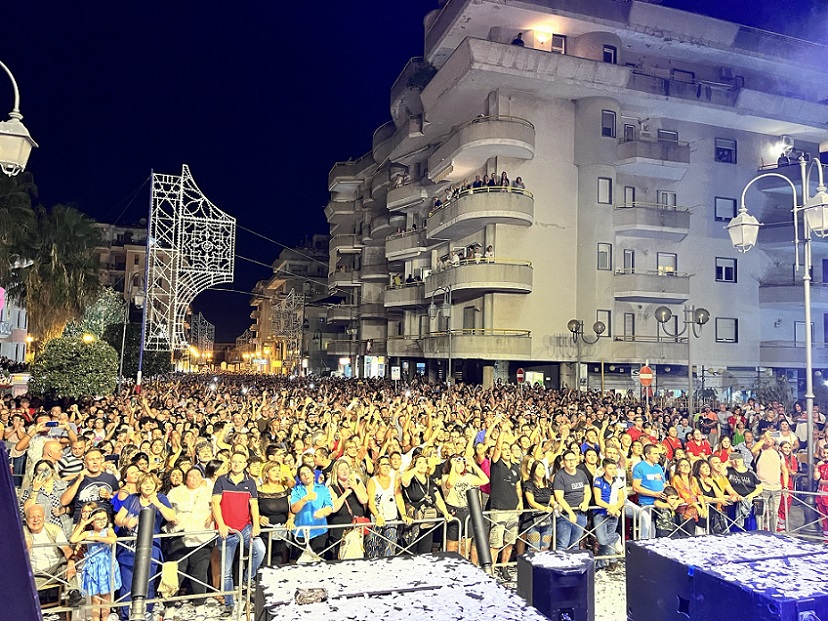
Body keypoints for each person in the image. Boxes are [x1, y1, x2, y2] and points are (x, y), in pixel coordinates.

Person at [114, 472, 176, 619]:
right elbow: (117, 519)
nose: (148, 486)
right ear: (139, 485)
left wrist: (158, 504)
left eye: (151, 483)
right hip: (128, 548)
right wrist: (125, 522)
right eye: (144, 483)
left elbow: (172, 517)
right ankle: (126, 615)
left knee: (147, 582)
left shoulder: (161, 498)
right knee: (127, 585)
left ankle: (146, 613)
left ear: (156, 485)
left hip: (151, 548)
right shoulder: (132, 498)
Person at [211, 451, 265, 613]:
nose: (236, 464)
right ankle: (229, 605)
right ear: (230, 462)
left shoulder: (250, 482)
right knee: (226, 572)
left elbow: (254, 505)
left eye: (240, 462)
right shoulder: (221, 480)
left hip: (245, 527)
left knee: (260, 550)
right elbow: (215, 504)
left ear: (245, 464)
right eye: (234, 461)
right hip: (227, 531)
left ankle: (247, 578)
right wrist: (221, 525)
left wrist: (256, 524)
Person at [165, 468, 214, 604]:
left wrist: (212, 515)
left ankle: (199, 603)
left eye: (197, 475)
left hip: (202, 537)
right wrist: (171, 518)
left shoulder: (209, 492)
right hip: (179, 535)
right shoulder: (175, 492)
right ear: (186, 478)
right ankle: (169, 604)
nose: (194, 478)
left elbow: (218, 507)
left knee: (199, 572)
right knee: (176, 572)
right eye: (191, 476)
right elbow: (166, 509)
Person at [23, 504, 82, 606]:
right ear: (26, 519)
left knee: (67, 563)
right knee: (25, 585)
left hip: (56, 570)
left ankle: (74, 594)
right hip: (37, 574)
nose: (36, 520)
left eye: (39, 516)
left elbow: (67, 549)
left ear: (44, 517)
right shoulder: (22, 532)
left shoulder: (54, 529)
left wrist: (71, 563)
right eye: (32, 517)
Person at [69, 506, 120, 621]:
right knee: (95, 597)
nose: (102, 521)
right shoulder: (88, 533)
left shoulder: (108, 531)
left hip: (106, 565)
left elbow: (112, 539)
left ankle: (105, 618)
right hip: (93, 566)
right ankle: (96, 619)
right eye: (98, 519)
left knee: (106, 596)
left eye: (104, 518)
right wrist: (85, 522)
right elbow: (73, 539)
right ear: (92, 522)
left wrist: (95, 538)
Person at [400, 454, 451, 555]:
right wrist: (417, 467)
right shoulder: (411, 479)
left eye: (424, 462)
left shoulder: (429, 481)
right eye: (419, 462)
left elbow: (438, 500)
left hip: (427, 521)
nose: (422, 464)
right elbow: (404, 480)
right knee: (410, 554)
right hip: (413, 523)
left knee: (425, 553)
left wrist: (445, 512)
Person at [366, 456, 410, 558]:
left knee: (390, 548)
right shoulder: (372, 481)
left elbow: (399, 499)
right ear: (378, 467)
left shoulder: (394, 480)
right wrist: (377, 516)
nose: (386, 467)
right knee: (374, 548)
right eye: (384, 464)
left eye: (388, 464)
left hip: (391, 519)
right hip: (376, 520)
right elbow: (371, 502)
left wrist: (403, 514)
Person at [61, 448, 119, 523]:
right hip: (82, 522)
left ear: (102, 460)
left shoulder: (111, 478)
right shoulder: (78, 479)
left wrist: (109, 496)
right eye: (91, 459)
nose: (95, 462)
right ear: (85, 463)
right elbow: (64, 501)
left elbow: (118, 502)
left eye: (97, 459)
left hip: (103, 522)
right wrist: (78, 480)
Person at [290, 464, 334, 557]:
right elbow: (294, 509)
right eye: (302, 474)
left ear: (313, 474)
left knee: (317, 560)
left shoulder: (323, 489)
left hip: (319, 531)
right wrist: (304, 499)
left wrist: (323, 512)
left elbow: (330, 507)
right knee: (298, 561)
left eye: (308, 472)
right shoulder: (296, 490)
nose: (306, 475)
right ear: (300, 479)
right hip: (300, 532)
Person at [328, 459, 369, 558]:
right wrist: (345, 494)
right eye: (341, 469)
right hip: (340, 529)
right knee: (342, 557)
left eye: (346, 468)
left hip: (357, 528)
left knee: (358, 556)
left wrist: (355, 487)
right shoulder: (332, 487)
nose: (344, 471)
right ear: (336, 472)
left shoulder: (357, 482)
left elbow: (364, 500)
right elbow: (334, 507)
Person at [20, 459, 72, 537]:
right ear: (35, 473)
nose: (44, 472)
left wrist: (64, 510)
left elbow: (76, 507)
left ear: (52, 471)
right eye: (40, 470)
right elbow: (26, 511)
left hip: (64, 532)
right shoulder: (30, 491)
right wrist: (35, 489)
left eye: (46, 469)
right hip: (44, 534)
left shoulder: (64, 486)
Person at [553, 451, 592, 550]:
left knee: (575, 543)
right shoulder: (559, 476)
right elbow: (559, 498)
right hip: (565, 514)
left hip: (581, 513)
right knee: (563, 543)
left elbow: (587, 491)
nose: (571, 462)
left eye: (573, 459)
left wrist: (585, 502)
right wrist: (570, 512)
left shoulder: (581, 473)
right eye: (568, 460)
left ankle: (573, 560)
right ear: (564, 461)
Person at [258, 461, 294, 565]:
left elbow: (292, 508)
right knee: (263, 561)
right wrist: (259, 517)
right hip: (264, 531)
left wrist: (290, 519)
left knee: (277, 561)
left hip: (281, 531)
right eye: (274, 470)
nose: (277, 473)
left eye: (279, 470)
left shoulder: (286, 489)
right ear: (266, 473)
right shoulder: (258, 489)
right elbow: (251, 508)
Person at [592, 458, 625, 568]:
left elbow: (621, 499)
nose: (613, 471)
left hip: (613, 514)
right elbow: (598, 500)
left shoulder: (618, 481)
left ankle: (603, 563)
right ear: (604, 469)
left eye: (614, 468)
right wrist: (611, 507)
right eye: (610, 468)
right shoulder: (598, 480)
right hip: (600, 513)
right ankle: (616, 537)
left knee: (607, 541)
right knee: (602, 540)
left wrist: (615, 508)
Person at [632, 444, 667, 539]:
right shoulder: (639, 467)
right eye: (655, 453)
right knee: (646, 532)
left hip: (660, 504)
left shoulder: (658, 467)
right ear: (647, 455)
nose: (658, 456)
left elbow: (663, 484)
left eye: (658, 454)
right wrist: (654, 494)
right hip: (646, 504)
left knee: (658, 533)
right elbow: (636, 487)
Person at [754, 432, 786, 532]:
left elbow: (784, 470)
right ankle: (759, 533)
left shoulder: (779, 454)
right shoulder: (760, 452)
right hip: (762, 488)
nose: (768, 440)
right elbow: (753, 450)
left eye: (770, 439)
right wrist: (764, 438)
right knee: (760, 513)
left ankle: (773, 533)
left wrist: (785, 486)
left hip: (776, 488)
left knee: (774, 513)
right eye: (766, 439)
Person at [726, 452, 764, 530]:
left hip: (748, 501)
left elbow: (760, 487)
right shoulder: (728, 471)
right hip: (734, 501)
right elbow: (719, 472)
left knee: (750, 524)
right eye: (735, 460)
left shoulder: (751, 473)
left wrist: (750, 496)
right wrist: (727, 462)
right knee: (734, 525)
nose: (737, 462)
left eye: (739, 459)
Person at [670, 458, 707, 535]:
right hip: (682, 511)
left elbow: (699, 494)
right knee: (686, 536)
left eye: (687, 465)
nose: (685, 467)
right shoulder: (676, 478)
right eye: (682, 465)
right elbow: (684, 495)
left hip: (693, 511)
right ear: (678, 468)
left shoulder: (693, 479)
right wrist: (698, 507)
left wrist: (704, 508)